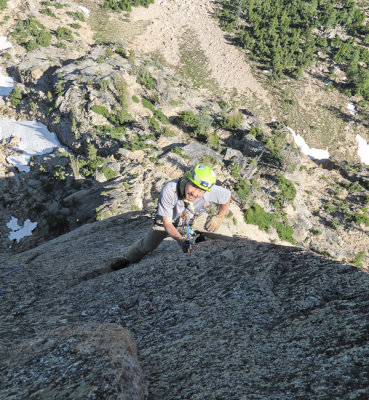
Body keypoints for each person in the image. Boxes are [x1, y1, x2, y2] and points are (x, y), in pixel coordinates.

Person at [111, 163, 232, 270]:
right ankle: (127, 258)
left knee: (228, 238)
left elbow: (227, 196)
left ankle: (198, 234)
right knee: (148, 245)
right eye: (193, 186)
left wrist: (219, 217)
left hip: (195, 216)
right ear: (187, 179)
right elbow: (167, 223)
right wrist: (181, 240)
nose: (195, 193)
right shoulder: (170, 189)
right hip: (168, 219)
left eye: (201, 191)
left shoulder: (208, 188)